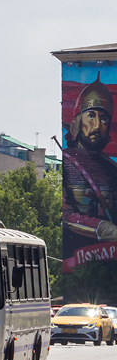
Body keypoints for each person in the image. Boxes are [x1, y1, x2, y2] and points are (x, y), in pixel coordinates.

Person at [63, 74, 117, 265]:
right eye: (91, 115)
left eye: (103, 119)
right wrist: (101, 228)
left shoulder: (112, 169)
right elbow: (66, 215)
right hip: (78, 258)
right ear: (78, 120)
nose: (96, 125)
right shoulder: (68, 161)